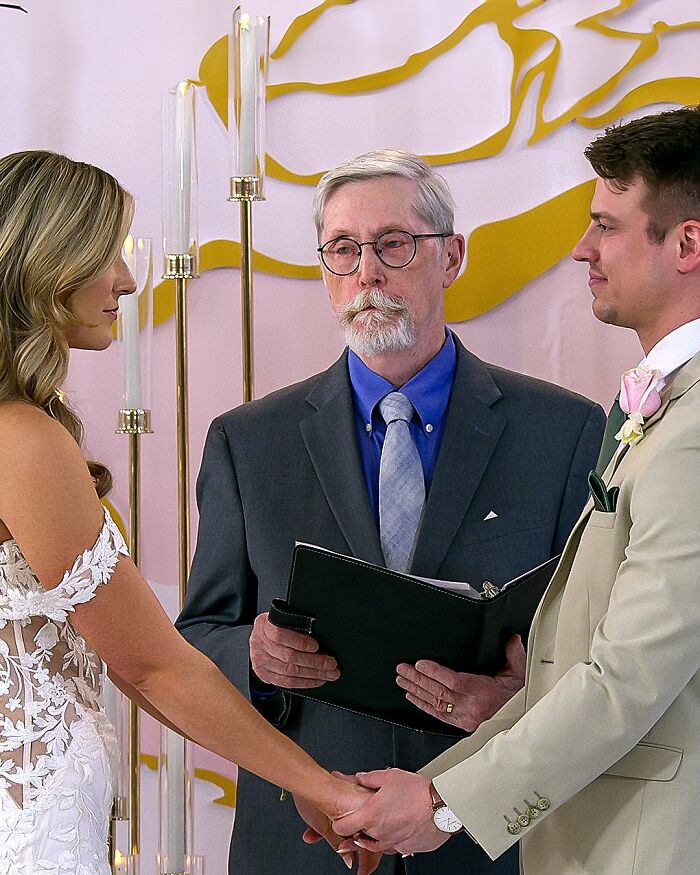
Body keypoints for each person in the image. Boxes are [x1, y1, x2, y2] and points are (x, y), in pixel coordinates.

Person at [176, 149, 605, 875]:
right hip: (306, 842)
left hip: (490, 843)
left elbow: (605, 648)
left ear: (452, 257)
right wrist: (251, 653)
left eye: (394, 244)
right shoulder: (247, 441)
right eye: (343, 249)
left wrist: (517, 697)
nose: (366, 272)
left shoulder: (564, 432)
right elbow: (196, 639)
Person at [332, 106, 700, 875]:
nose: (582, 248)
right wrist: (429, 790)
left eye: (606, 225)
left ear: (687, 244)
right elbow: (572, 669)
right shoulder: (665, 405)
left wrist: (441, 806)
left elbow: (625, 678)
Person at [0, 150, 380, 875]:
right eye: (105, 250)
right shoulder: (21, 437)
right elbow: (152, 665)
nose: (127, 278)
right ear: (47, 260)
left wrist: (297, 778)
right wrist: (322, 785)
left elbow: (134, 664)